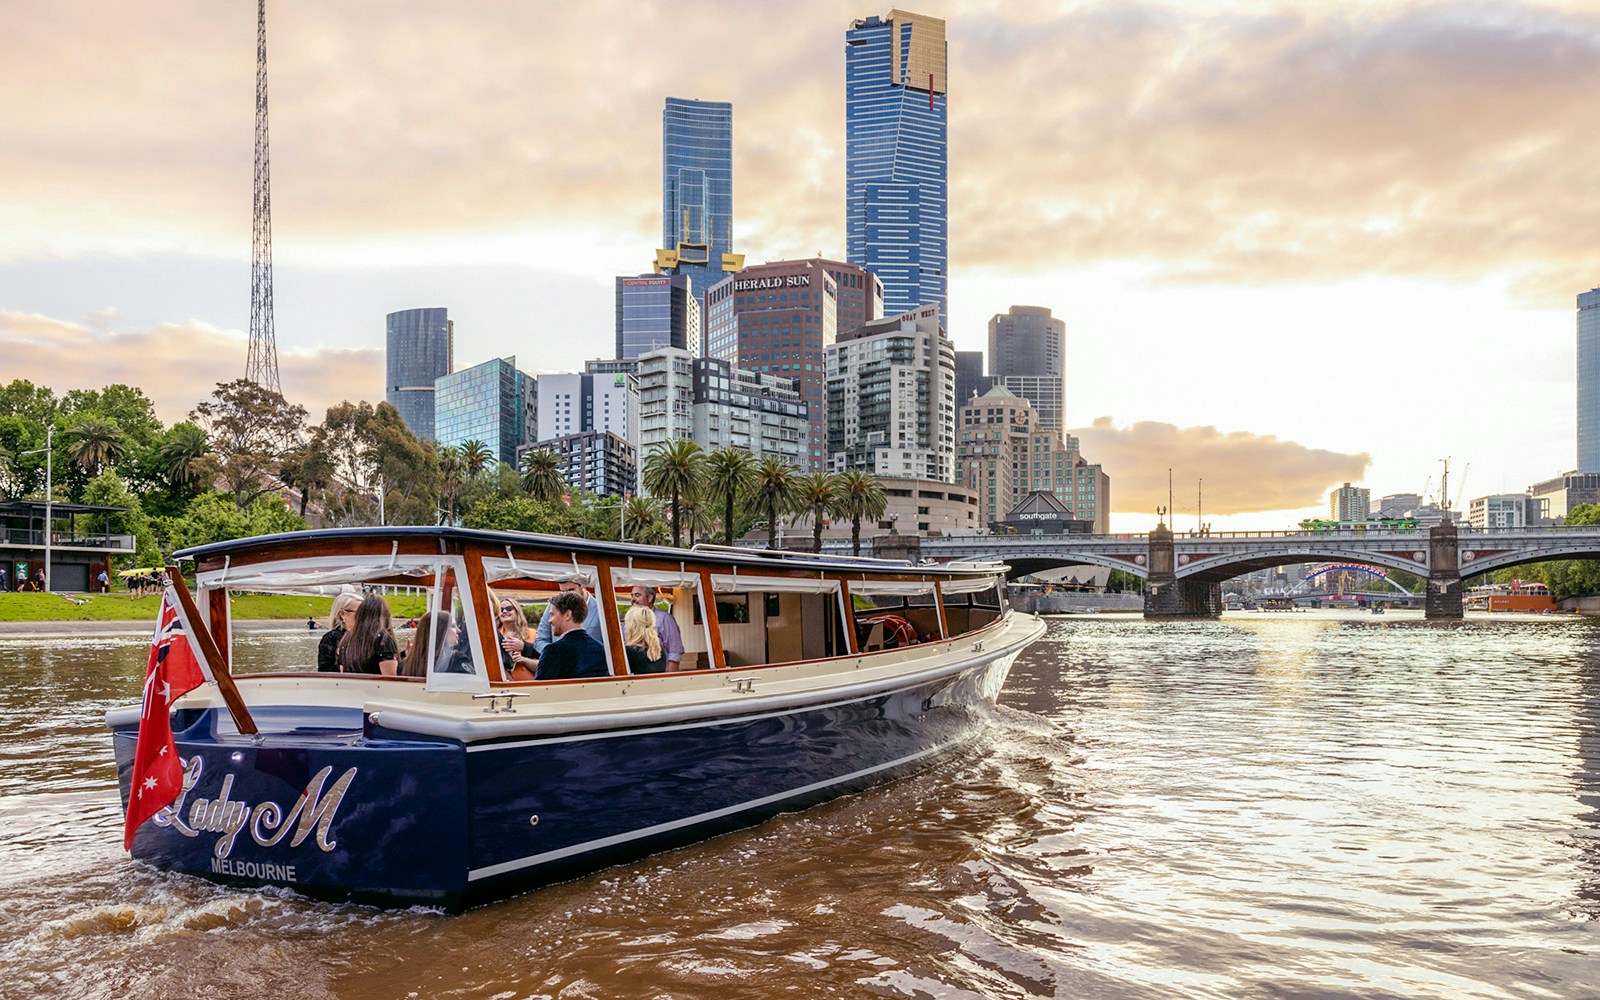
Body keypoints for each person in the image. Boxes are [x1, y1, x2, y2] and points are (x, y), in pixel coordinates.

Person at [534, 589, 610, 680]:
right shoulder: (602, 650)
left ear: (567, 615)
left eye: (552, 615)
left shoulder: (553, 651)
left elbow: (541, 690)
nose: (549, 621)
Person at [533, 575, 604, 655]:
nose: (567, 595)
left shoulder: (601, 609)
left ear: (583, 586)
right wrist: (555, 654)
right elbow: (540, 640)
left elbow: (611, 646)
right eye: (563, 591)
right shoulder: (552, 607)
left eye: (571, 590)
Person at [336, 594, 399, 675]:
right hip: (375, 686)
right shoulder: (383, 639)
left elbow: (343, 672)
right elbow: (391, 678)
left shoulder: (346, 639)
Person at [630, 586, 684, 672]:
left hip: (660, 677)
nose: (632, 599)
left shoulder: (664, 619)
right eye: (631, 596)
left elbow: (675, 653)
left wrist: (669, 680)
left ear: (650, 598)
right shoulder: (629, 621)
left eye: (637, 595)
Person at [401, 610, 461, 677]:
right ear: (440, 631)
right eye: (452, 626)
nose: (459, 630)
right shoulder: (457, 661)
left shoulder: (406, 666)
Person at [493, 595, 539, 679]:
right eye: (501, 609)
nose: (504, 611)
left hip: (528, 684)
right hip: (503, 685)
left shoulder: (532, 633)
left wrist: (523, 659)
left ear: (517, 611)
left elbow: (544, 665)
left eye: (509, 608)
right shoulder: (494, 635)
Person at [318, 592, 362, 673]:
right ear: (342, 614)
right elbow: (325, 672)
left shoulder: (369, 636)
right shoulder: (331, 638)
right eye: (360, 612)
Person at [623, 605, 667, 674]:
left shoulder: (627, 653)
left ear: (632, 627)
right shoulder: (659, 651)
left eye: (626, 624)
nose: (624, 628)